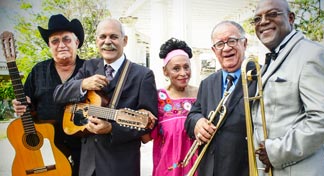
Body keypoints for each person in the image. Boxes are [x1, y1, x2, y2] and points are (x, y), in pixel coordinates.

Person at [251, 0, 324, 175]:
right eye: (257, 19)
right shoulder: (271, 61)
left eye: (272, 14)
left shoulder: (313, 54)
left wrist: (275, 151)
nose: (263, 21)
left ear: (290, 18)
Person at [53, 18, 158, 176]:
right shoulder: (88, 67)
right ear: (96, 41)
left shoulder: (143, 75)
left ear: (125, 40)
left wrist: (112, 128)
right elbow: (58, 94)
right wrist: (82, 84)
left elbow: (147, 123)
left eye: (114, 37)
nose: (107, 42)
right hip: (88, 165)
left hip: (121, 165)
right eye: (102, 37)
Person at [12, 14, 85, 176]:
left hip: (84, 149)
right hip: (47, 150)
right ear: (49, 46)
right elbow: (25, 105)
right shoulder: (38, 71)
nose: (61, 45)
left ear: (76, 42)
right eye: (55, 41)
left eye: (66, 39)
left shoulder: (89, 69)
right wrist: (20, 105)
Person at [185, 20, 256, 176]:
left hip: (244, 170)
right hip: (210, 169)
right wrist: (197, 122)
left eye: (232, 41)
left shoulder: (260, 77)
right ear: (214, 50)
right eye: (220, 44)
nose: (226, 48)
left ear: (244, 43)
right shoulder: (207, 83)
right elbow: (192, 115)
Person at [142, 38, 198, 176]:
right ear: (165, 71)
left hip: (197, 168)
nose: (183, 73)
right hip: (166, 169)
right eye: (176, 68)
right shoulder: (158, 98)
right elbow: (146, 138)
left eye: (186, 67)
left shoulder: (202, 94)